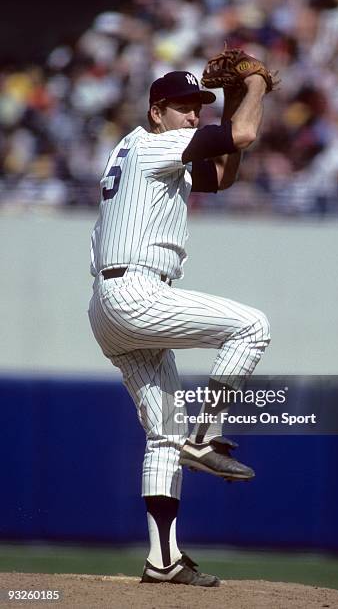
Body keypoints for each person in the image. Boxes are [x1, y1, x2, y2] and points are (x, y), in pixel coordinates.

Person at [88, 69, 271, 586]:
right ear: (155, 112)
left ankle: (162, 559)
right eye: (182, 105)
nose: (193, 114)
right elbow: (243, 135)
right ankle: (207, 436)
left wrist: (232, 105)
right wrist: (254, 88)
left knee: (164, 432)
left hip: (110, 307)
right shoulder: (152, 147)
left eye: (199, 105)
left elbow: (225, 173)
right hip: (137, 292)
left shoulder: (153, 154)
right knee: (251, 327)